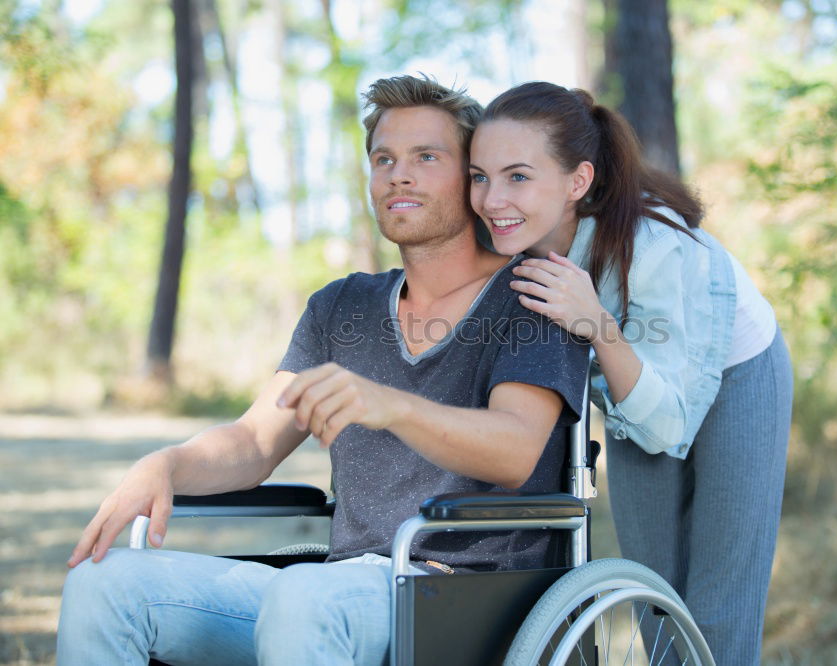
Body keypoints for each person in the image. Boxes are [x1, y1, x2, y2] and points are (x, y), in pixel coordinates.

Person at [56, 75, 589, 666]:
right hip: (333, 592)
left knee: (304, 594)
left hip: (466, 592)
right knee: (106, 584)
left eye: (425, 157)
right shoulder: (342, 307)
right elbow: (255, 441)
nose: (398, 174)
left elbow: (515, 449)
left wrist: (393, 406)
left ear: (472, 179)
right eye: (383, 158)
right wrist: (167, 464)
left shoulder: (535, 295)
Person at [467, 81, 793, 664]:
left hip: (739, 371)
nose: (492, 199)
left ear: (578, 181)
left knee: (718, 602)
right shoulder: (513, 242)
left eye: (517, 176)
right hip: (637, 393)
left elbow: (668, 425)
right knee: (652, 588)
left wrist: (594, 321)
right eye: (479, 176)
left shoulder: (655, 242)